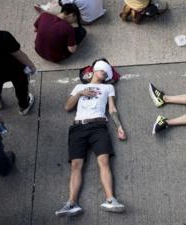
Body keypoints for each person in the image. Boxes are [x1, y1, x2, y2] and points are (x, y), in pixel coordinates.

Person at [56, 60, 126, 217]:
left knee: (104, 161)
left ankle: (110, 200)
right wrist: (81, 93)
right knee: (75, 165)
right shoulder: (80, 87)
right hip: (78, 128)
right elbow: (67, 107)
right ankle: (71, 204)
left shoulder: (108, 87)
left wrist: (119, 127)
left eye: (107, 73)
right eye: (103, 71)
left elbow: (112, 109)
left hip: (98, 127)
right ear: (95, 70)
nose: (106, 74)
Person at [34, 0, 106, 24]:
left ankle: (46, 9)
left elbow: (61, 4)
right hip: (100, 11)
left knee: (62, 10)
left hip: (87, 19)